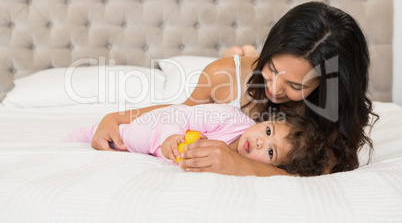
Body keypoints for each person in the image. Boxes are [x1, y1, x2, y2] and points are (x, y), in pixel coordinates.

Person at [90, 1, 376, 176]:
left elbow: (317, 175)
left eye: (294, 85)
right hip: (238, 72)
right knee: (238, 76)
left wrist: (239, 166)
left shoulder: (328, 115)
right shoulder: (221, 75)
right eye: (272, 70)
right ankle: (246, 54)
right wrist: (118, 117)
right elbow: (182, 113)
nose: (274, 88)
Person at [68, 104, 329, 176]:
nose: (261, 142)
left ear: (272, 167)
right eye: (268, 132)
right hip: (163, 124)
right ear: (265, 120)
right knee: (136, 137)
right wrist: (172, 135)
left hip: (163, 147)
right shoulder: (229, 118)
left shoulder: (245, 168)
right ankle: (97, 133)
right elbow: (179, 112)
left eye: (271, 153)